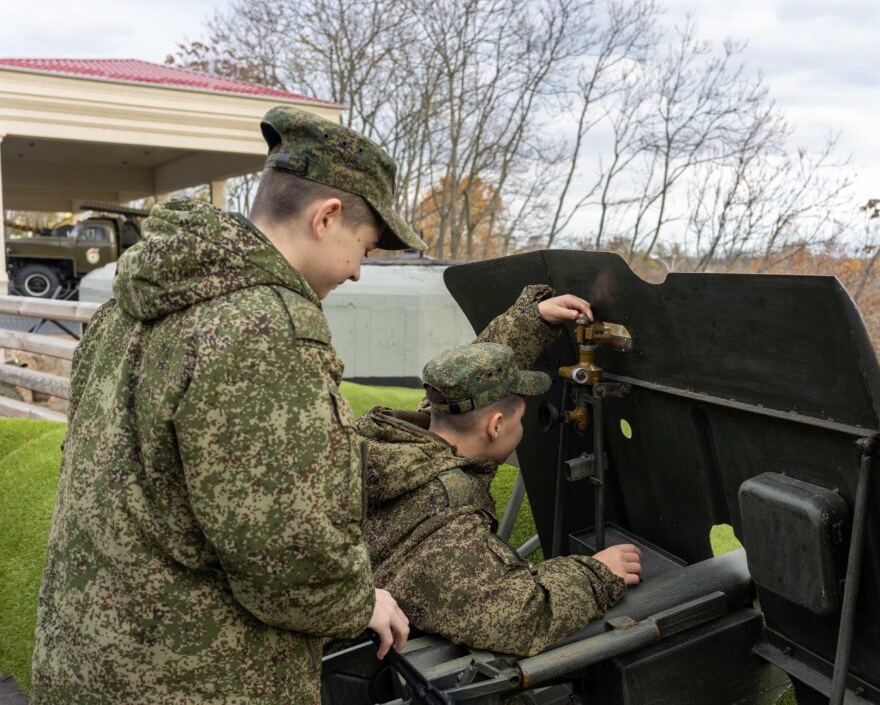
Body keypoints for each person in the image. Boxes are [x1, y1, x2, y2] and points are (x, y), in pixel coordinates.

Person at [31, 105, 416, 704]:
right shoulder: (266, 328)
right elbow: (284, 551)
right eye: (364, 248)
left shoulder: (137, 301)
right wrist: (360, 600)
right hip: (197, 678)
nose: (359, 273)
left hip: (89, 658)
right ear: (327, 217)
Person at [360, 285, 642, 657]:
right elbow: (519, 619)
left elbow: (464, 381)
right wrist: (596, 574)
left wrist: (533, 321)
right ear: (495, 426)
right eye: (520, 418)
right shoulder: (446, 526)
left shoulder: (405, 443)